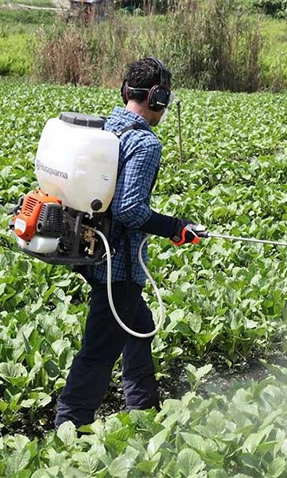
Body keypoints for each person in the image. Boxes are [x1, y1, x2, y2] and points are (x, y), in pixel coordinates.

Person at [55, 57, 206, 428]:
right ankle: (68, 428)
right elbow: (129, 210)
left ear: (126, 91)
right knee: (98, 352)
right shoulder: (144, 142)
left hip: (90, 252)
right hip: (117, 265)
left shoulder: (104, 128)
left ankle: (143, 411)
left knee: (141, 323)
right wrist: (175, 227)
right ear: (157, 98)